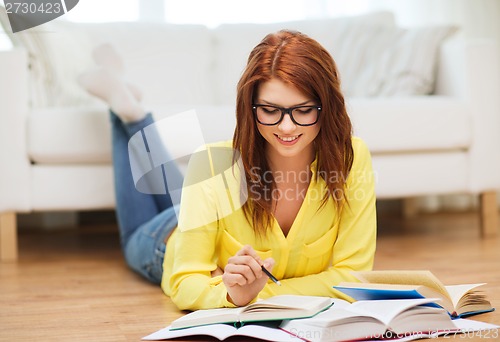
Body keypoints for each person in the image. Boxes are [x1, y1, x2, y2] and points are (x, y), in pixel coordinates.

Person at [79, 30, 376, 311]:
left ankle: (129, 106)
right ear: (250, 107)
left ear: (328, 106)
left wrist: (246, 293)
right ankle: (126, 114)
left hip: (202, 209)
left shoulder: (351, 157)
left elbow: (352, 279)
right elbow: (185, 283)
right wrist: (231, 293)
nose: (287, 127)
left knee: (188, 185)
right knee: (133, 235)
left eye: (303, 110)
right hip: (164, 238)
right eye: (270, 110)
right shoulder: (211, 162)